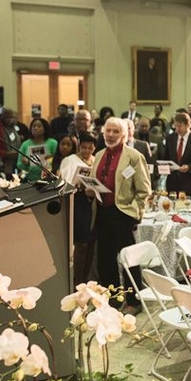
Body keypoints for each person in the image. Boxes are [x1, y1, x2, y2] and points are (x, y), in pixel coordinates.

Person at [88, 118, 151, 310]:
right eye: (108, 131)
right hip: (102, 213)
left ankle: (134, 301)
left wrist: (134, 212)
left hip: (123, 214)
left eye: (115, 131)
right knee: (105, 261)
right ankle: (114, 299)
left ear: (124, 135)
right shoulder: (98, 155)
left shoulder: (133, 156)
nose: (111, 135)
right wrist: (90, 190)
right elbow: (93, 181)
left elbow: (144, 190)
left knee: (129, 260)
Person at [59, 132, 98, 285]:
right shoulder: (70, 160)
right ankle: (77, 280)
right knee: (81, 243)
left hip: (94, 202)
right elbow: (64, 181)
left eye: (90, 148)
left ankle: (88, 277)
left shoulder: (96, 160)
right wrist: (76, 183)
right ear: (79, 146)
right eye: (84, 147)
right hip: (78, 201)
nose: (87, 151)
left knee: (91, 242)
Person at [164, 112, 191, 197]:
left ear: (188, 125)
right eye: (175, 126)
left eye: (179, 126)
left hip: (189, 182)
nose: (177, 129)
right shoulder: (170, 138)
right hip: (172, 182)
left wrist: (189, 167)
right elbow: (165, 158)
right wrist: (167, 167)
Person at [0, 107, 22, 175]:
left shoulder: (12, 127)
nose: (12, 120)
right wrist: (7, 154)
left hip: (15, 162)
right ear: (1, 117)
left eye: (14, 117)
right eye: (9, 117)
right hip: (2, 165)